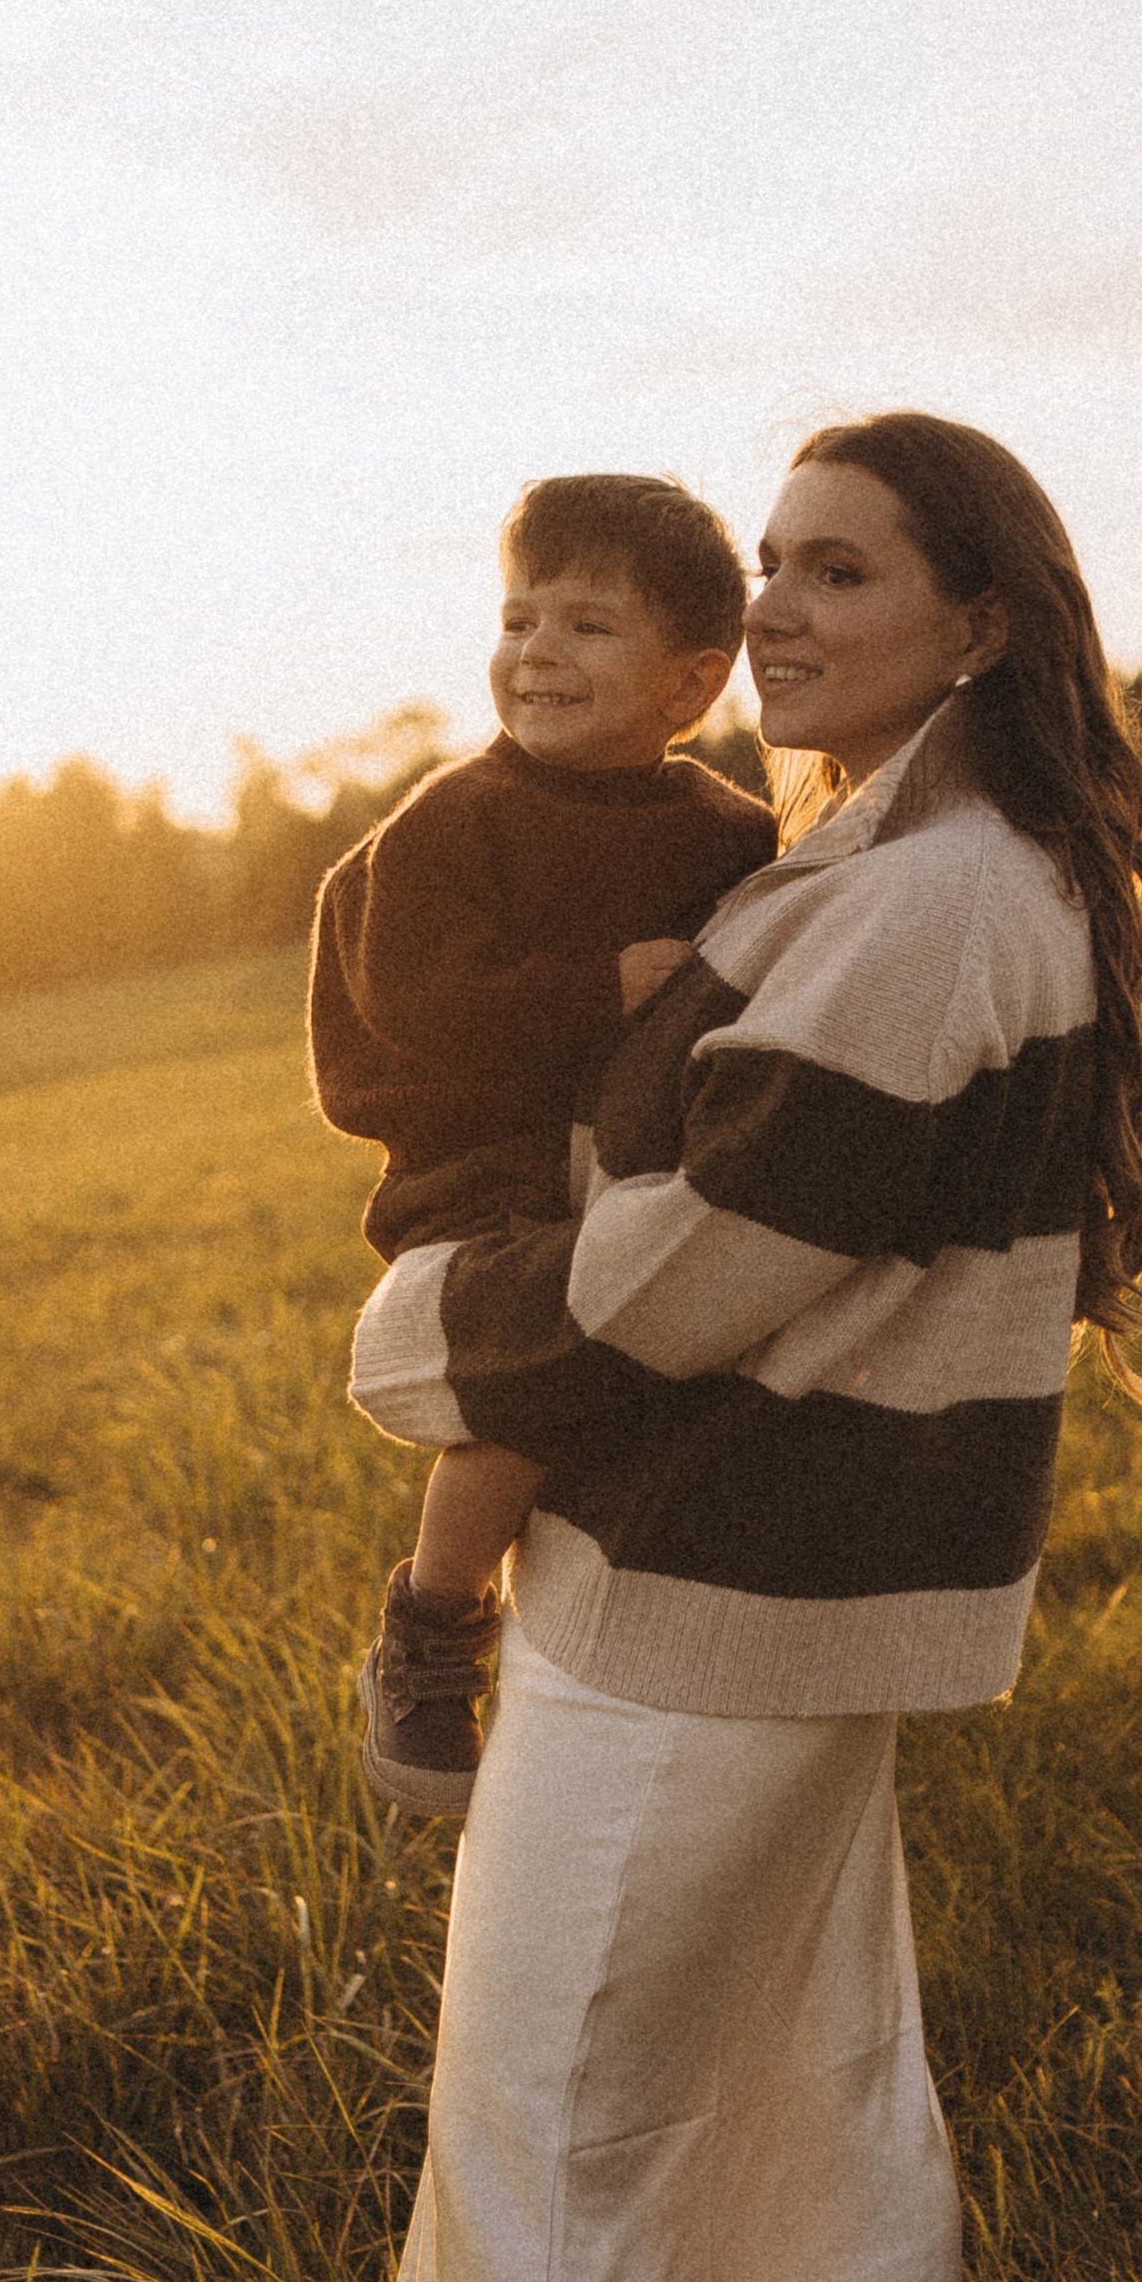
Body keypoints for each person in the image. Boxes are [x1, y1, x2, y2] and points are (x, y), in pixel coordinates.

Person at [274, 413, 1142, 2282]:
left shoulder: (923, 902)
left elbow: (703, 1270)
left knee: (555, 2132)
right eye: (771, 562)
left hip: (712, 1597)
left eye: (843, 573)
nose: (778, 605)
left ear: (978, 623)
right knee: (789, 2119)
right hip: (734, 1584)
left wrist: (415, 1336)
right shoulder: (872, 862)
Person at [308, 474, 777, 1813]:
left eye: (586, 626)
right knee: (538, 1379)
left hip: (630, 1167)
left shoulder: (728, 832)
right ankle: (434, 1627)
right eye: (519, 619)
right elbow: (416, 1014)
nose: (538, 654)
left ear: (688, 686)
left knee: (660, 1372)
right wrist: (600, 990)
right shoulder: (451, 825)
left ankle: (614, 1645)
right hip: (481, 1177)